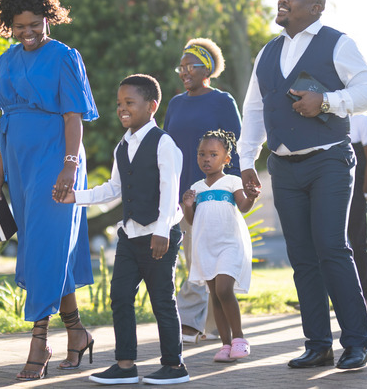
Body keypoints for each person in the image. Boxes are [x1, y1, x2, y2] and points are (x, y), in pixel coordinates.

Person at [238, 0, 367, 370]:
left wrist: (329, 101)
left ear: (316, 8)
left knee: (332, 248)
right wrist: (246, 160)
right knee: (301, 256)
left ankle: (357, 343)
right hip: (283, 167)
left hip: (329, 159)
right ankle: (318, 344)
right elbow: (254, 109)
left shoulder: (337, 42)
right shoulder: (266, 53)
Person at [0, 0, 99, 380]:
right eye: (19, 26)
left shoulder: (64, 56)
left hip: (56, 157)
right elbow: (6, 119)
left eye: (35, 23)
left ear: (49, 18)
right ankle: (77, 332)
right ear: (8, 26)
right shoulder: (7, 59)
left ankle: (40, 340)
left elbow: (74, 116)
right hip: (19, 162)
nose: (28, 32)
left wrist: (70, 165)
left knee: (46, 245)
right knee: (40, 244)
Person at [61, 74, 190, 385]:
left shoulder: (163, 143)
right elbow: (114, 188)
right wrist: (76, 197)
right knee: (119, 297)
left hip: (159, 236)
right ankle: (126, 364)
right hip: (130, 236)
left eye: (129, 103)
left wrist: (161, 231)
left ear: (152, 105)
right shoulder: (123, 145)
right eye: (119, 103)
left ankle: (175, 367)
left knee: (161, 300)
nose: (122, 109)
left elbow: (170, 190)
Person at [164, 38, 242, 344]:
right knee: (195, 259)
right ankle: (203, 325)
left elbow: (234, 146)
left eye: (190, 66)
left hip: (217, 195)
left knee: (208, 260)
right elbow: (167, 148)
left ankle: (200, 324)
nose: (183, 72)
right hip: (185, 196)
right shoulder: (175, 103)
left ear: (206, 68)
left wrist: (232, 190)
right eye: (180, 67)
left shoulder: (222, 101)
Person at [181, 130, 258, 363]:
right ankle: (225, 345)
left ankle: (240, 339)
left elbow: (243, 206)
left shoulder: (232, 181)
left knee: (225, 289)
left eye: (213, 154)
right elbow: (193, 221)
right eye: (202, 154)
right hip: (206, 246)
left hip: (229, 245)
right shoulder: (197, 187)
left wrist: (252, 196)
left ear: (226, 158)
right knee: (214, 294)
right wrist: (187, 205)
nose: (206, 159)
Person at [348, 112, 367, 309]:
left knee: (359, 243)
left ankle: (363, 296)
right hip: (332, 190)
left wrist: (365, 192)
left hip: (357, 192)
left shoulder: (363, 119)